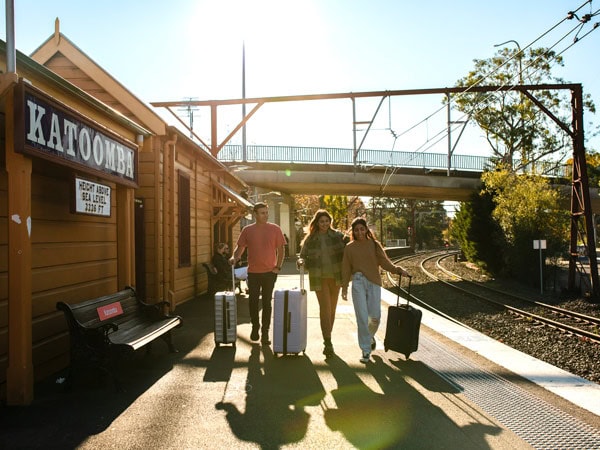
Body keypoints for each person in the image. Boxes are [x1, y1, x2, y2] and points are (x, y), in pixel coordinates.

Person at [341, 217, 410, 363]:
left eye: (362, 229)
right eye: (356, 230)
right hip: (358, 282)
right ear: (353, 231)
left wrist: (398, 270)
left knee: (375, 318)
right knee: (361, 317)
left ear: (366, 229)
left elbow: (384, 262)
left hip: (374, 283)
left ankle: (369, 336)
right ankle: (366, 350)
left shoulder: (374, 245)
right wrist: (344, 287)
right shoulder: (349, 247)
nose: (359, 232)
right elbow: (346, 268)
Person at [230, 202, 286, 344]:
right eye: (262, 213)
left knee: (267, 302)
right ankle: (255, 326)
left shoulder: (275, 229)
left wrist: (277, 267)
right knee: (253, 301)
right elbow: (240, 248)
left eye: (266, 212)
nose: (265, 215)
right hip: (253, 272)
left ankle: (265, 333)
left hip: (269, 272)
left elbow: (281, 250)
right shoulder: (248, 230)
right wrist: (234, 258)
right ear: (255, 214)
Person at [297, 209, 347, 358]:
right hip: (319, 278)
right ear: (317, 223)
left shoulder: (338, 237)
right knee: (325, 309)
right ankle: (328, 342)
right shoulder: (310, 239)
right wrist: (301, 262)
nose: (324, 224)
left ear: (330, 222)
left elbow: (349, 252)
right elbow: (302, 256)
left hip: (336, 278)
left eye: (327, 221)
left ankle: (328, 337)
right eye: (321, 221)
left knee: (332, 310)